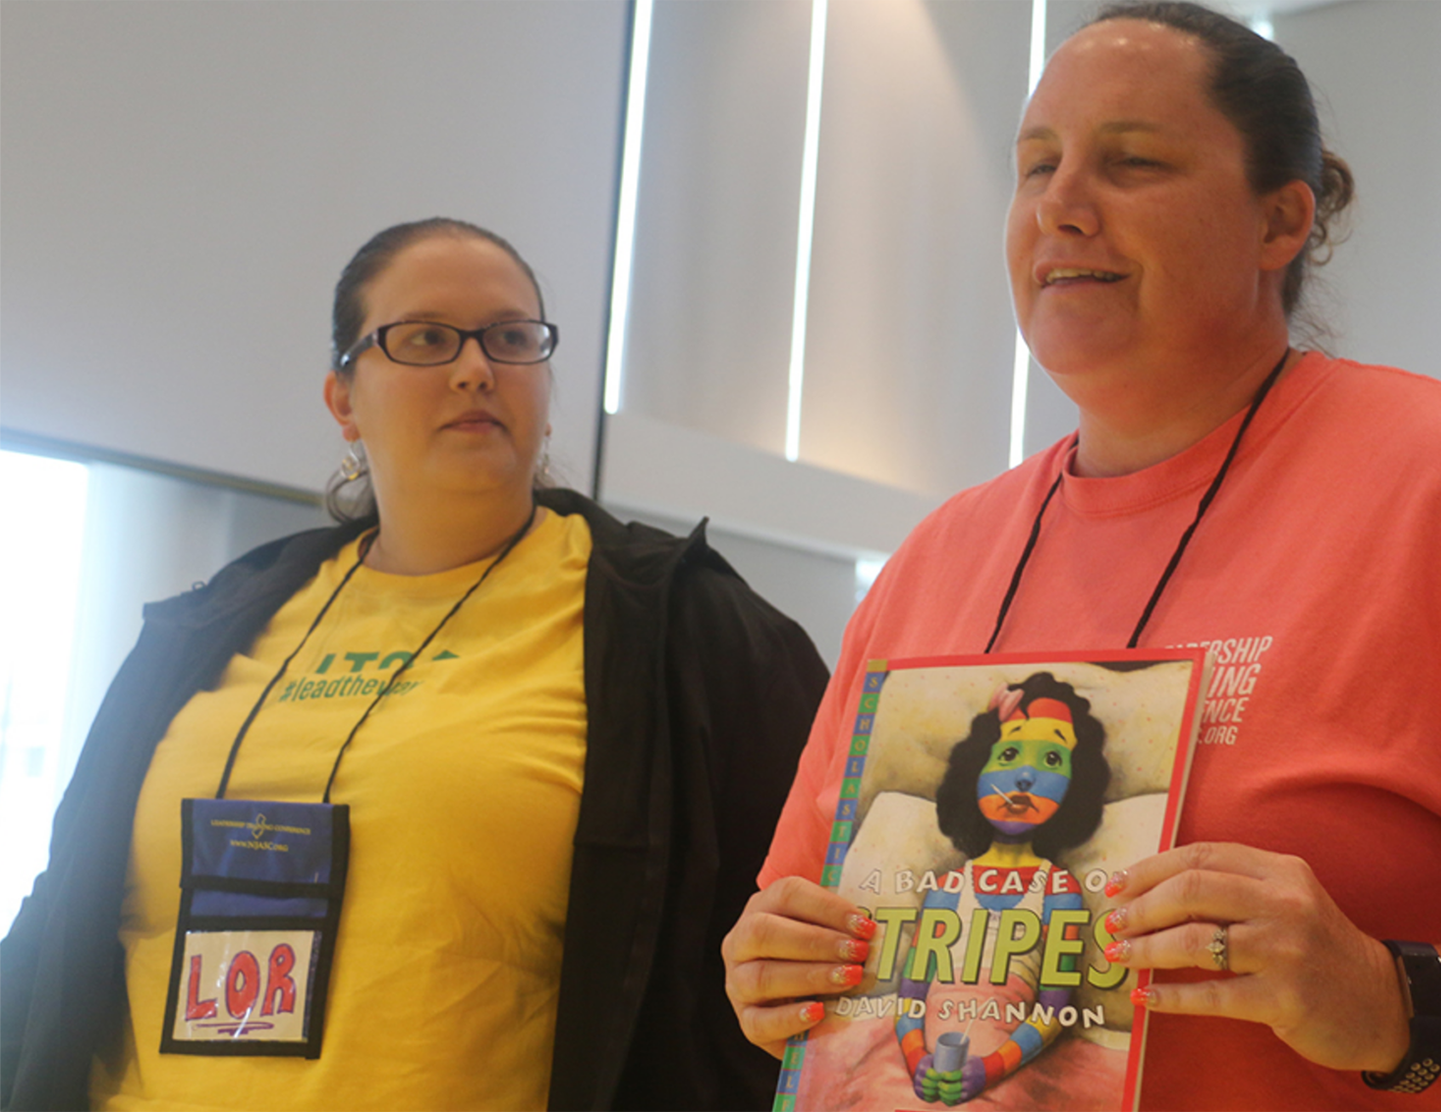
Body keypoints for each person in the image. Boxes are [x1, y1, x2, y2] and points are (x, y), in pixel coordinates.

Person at [721, 4, 1441, 1109]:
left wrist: (1392, 998)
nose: (1060, 205)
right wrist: (773, 972)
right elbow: (801, 934)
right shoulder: (934, 562)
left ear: (1280, 220)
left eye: (1132, 162)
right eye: (1037, 164)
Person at [0, 217, 829, 1112]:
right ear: (343, 400)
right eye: (426, 339)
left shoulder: (680, 628)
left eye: (511, 338)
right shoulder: (210, 624)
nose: (476, 367)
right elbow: (58, 926)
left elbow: (805, 938)